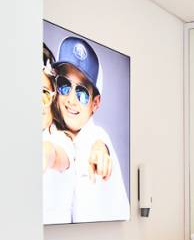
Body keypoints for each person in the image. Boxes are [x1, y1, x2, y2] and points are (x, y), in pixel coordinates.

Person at [52, 36, 129, 223]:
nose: (71, 100)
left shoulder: (98, 138)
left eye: (82, 92)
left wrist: (102, 151)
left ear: (95, 103)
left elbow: (99, 145)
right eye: (64, 85)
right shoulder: (48, 130)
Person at [42, 44, 75, 224]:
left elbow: (55, 155)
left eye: (43, 93)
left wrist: (47, 153)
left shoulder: (62, 140)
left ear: (54, 97)